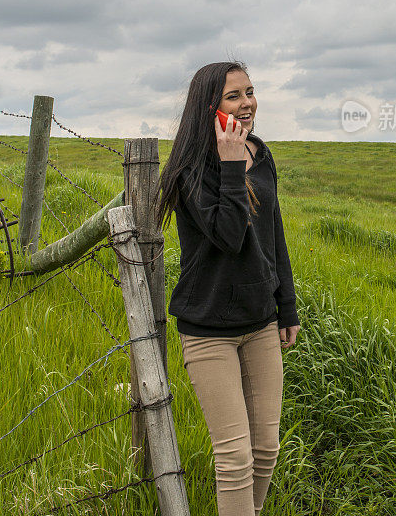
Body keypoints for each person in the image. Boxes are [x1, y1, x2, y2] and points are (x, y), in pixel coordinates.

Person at [156, 60, 300, 516]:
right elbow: (229, 236)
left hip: (260, 323)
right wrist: (231, 165)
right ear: (210, 107)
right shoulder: (191, 170)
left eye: (250, 92)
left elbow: (272, 232)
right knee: (235, 458)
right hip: (208, 329)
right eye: (234, 96)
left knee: (266, 450)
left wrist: (287, 306)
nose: (247, 104)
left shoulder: (260, 152)